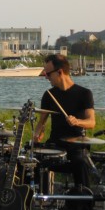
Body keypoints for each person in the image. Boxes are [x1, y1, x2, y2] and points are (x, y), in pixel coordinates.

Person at [33, 54, 96, 190]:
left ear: (60, 72)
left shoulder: (84, 94)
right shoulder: (49, 95)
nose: (45, 77)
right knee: (34, 160)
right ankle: (37, 200)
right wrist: (37, 134)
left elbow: (91, 122)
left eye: (48, 74)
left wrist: (77, 121)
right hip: (55, 144)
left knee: (81, 163)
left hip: (76, 146)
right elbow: (41, 123)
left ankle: (85, 202)